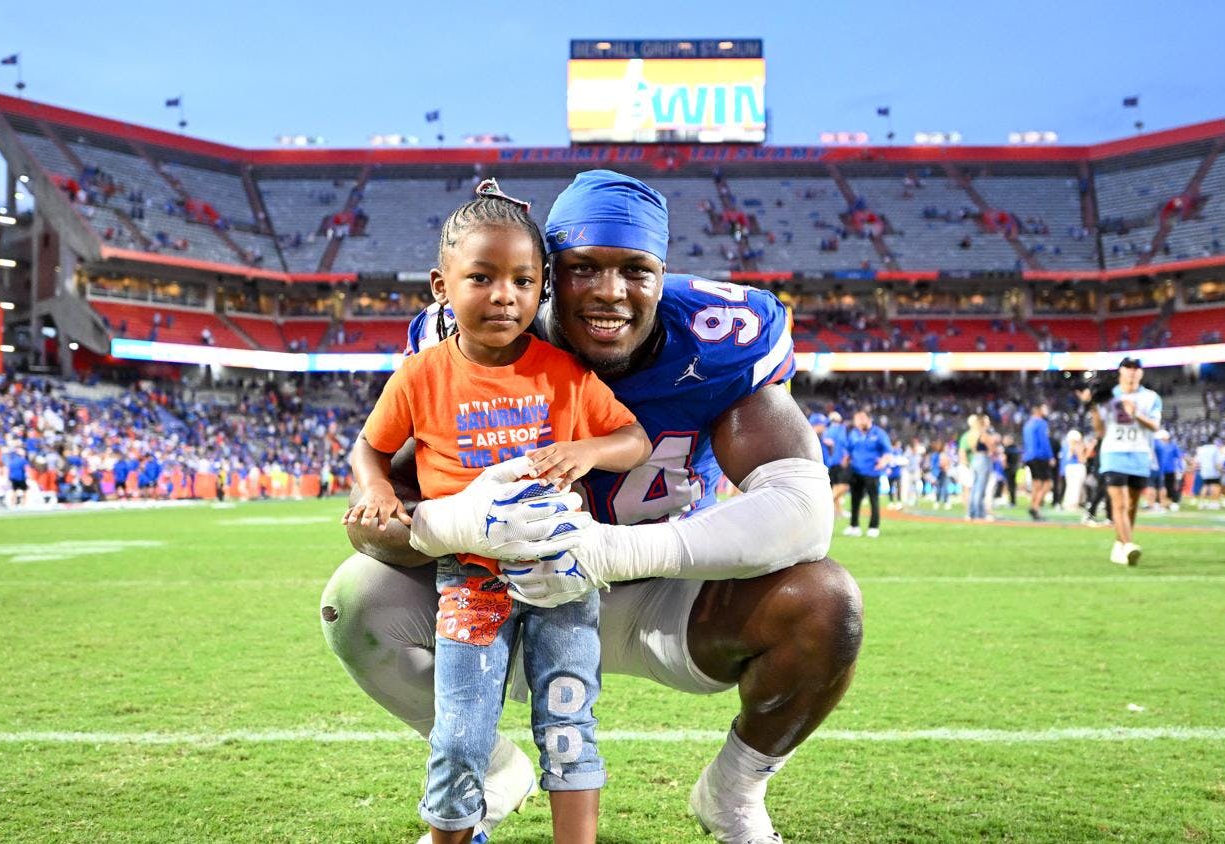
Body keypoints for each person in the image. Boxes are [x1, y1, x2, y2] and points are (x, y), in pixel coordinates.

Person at [321, 169, 859, 844]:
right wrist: (457, 522)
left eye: (635, 270)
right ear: (548, 276)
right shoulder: (471, 337)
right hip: (501, 593)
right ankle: (494, 772)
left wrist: (607, 550)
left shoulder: (720, 338)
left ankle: (735, 795)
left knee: (826, 603)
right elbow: (369, 521)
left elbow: (803, 509)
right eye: (583, 270)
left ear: (663, 275)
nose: (610, 292)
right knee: (356, 602)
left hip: (664, 591)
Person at [343, 179, 652, 844]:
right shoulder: (422, 375)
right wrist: (374, 488)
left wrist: (586, 448)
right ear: (440, 285)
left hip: (563, 578)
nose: (503, 296)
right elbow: (368, 449)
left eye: (521, 280)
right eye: (481, 277)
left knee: (569, 729)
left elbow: (634, 441)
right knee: (460, 733)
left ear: (542, 289)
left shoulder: (564, 373)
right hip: (470, 579)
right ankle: (456, 833)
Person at [1083, 357, 1162, 565]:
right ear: (1121, 371)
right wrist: (1092, 407)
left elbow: (1155, 426)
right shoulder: (1110, 395)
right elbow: (1100, 431)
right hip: (1113, 453)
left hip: (1140, 454)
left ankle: (1120, 546)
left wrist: (1135, 414)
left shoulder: (1151, 397)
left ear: (1141, 373)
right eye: (1128, 367)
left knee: (1132, 505)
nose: (1132, 372)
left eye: (1136, 368)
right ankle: (1128, 545)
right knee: (1120, 503)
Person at [842, 410, 892, 537]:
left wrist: (883, 461)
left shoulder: (879, 433)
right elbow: (848, 450)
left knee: (873, 500)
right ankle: (854, 526)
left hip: (872, 472)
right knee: (855, 500)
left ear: (868, 419)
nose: (857, 422)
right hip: (856, 471)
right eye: (856, 419)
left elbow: (888, 451)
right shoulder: (854, 433)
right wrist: (845, 460)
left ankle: (873, 527)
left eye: (860, 419)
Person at [1022, 401, 1055, 520]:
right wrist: (1050, 456)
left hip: (1029, 456)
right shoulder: (1041, 423)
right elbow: (1044, 441)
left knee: (1036, 483)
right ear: (1038, 410)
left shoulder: (1027, 424)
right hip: (1040, 456)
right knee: (1047, 483)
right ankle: (1035, 507)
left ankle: (1033, 505)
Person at [961, 414, 994, 521]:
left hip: (975, 459)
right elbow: (991, 448)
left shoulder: (971, 434)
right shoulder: (983, 433)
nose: (989, 422)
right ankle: (979, 513)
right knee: (980, 487)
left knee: (975, 487)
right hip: (983, 458)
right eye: (987, 420)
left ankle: (972, 512)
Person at [823, 411, 850, 518]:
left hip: (829, 463)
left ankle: (838, 511)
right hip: (839, 461)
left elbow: (827, 443)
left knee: (833, 486)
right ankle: (827, 506)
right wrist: (846, 458)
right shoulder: (841, 429)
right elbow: (844, 444)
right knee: (844, 486)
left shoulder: (827, 431)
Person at [1060, 429, 1087, 510]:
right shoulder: (1077, 445)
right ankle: (1073, 505)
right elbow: (1081, 459)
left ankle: (1068, 504)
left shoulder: (1065, 445)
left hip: (1069, 468)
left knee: (1070, 487)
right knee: (1075, 487)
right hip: (1076, 467)